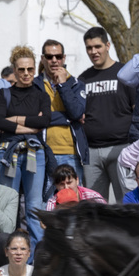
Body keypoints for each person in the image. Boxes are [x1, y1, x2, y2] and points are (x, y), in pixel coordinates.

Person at [0, 46, 51, 243]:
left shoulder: (42, 95)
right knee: (8, 205)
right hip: (9, 153)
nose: (26, 74)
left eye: (30, 69)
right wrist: (29, 125)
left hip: (35, 152)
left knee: (35, 206)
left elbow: (44, 122)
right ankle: (7, 252)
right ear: (14, 70)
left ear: (35, 69)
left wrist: (14, 119)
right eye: (22, 69)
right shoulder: (4, 93)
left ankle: (38, 255)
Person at [77, 27, 135, 202]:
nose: (93, 51)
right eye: (89, 48)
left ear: (107, 45)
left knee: (124, 203)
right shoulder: (83, 79)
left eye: (98, 46)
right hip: (91, 152)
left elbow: (136, 109)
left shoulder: (125, 74)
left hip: (121, 148)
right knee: (94, 206)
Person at [37, 39, 87, 180]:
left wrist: (63, 85)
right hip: (43, 153)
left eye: (58, 56)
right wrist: (69, 118)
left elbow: (76, 112)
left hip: (71, 153)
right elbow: (32, 118)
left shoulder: (76, 84)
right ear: (42, 59)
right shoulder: (35, 85)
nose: (54, 60)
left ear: (63, 58)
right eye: (49, 57)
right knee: (46, 201)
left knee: (72, 200)